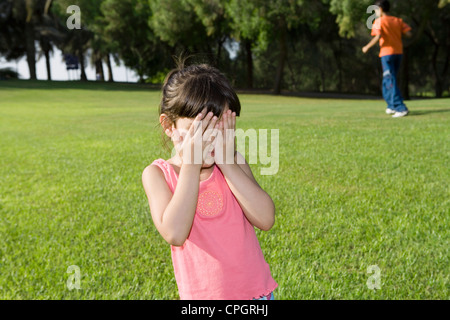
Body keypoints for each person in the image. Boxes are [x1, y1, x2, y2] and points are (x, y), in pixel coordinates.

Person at [141, 61, 278, 300]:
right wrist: (191, 166)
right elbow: (174, 232)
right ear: (168, 125)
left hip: (255, 295)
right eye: (199, 130)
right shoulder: (158, 175)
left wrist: (227, 163)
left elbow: (266, 219)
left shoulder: (233, 163)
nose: (210, 138)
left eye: (218, 128)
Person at [362, 0, 412, 118]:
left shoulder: (379, 21)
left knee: (390, 80)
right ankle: (391, 105)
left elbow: (378, 36)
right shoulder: (397, 20)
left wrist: (367, 47)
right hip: (398, 53)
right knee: (387, 80)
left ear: (380, 9)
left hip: (387, 54)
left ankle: (400, 107)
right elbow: (409, 33)